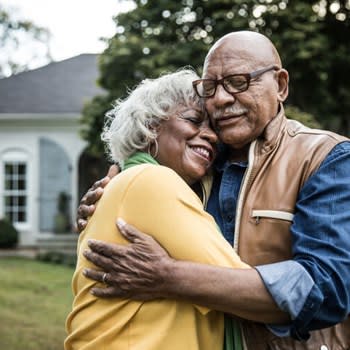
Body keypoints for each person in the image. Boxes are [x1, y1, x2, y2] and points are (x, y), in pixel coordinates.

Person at [78, 31, 350, 349]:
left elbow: (327, 288)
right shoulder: (192, 166)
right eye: (210, 87)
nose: (219, 99)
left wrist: (169, 277)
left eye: (238, 81)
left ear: (281, 85)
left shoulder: (325, 156)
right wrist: (106, 200)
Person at [65, 69, 252, 350]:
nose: (211, 136)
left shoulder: (128, 184)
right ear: (151, 126)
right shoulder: (151, 180)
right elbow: (247, 291)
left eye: (213, 128)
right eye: (193, 120)